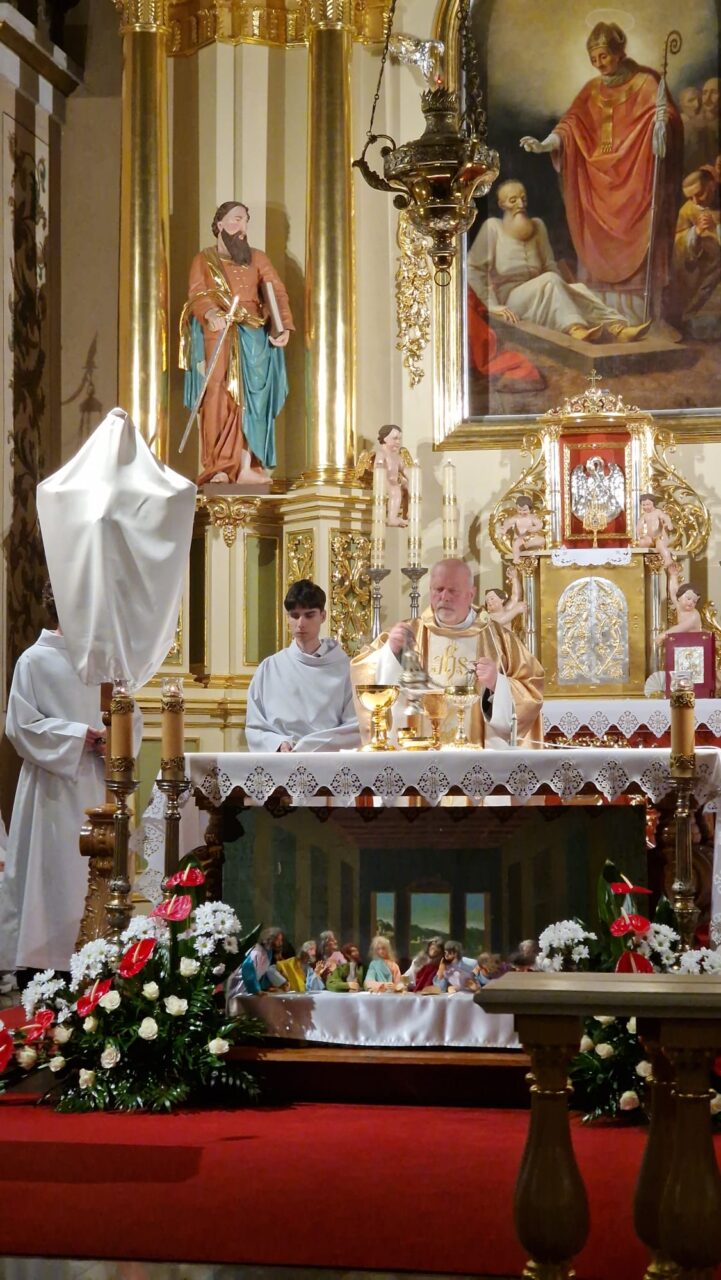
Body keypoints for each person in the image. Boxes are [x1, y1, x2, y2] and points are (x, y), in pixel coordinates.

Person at [520, 23, 683, 316]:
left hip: (636, 181)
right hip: (597, 187)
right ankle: (602, 318)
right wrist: (546, 144)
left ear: (619, 52)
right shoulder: (591, 90)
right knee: (596, 251)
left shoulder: (646, 82)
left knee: (642, 238)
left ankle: (641, 316)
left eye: (603, 56)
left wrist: (663, 125)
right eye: (593, 58)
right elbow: (570, 125)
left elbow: (666, 115)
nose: (598, 63)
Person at [0, 582, 109, 975]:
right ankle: (43, 965)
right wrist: (77, 735)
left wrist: (112, 737)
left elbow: (127, 712)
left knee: (91, 874)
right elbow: (20, 726)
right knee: (51, 876)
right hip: (50, 788)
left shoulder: (102, 661)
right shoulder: (34, 660)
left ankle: (95, 956)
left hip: (95, 782)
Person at [351, 558, 544, 748]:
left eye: (453, 590)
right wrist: (390, 653)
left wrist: (497, 683)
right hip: (418, 755)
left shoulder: (499, 638)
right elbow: (363, 671)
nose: (445, 597)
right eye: (439, 589)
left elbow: (531, 690)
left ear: (471, 594)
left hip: (479, 757)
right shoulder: (408, 633)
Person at [180, 200, 294, 485]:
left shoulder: (258, 258)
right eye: (235, 219)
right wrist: (210, 313)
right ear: (219, 224)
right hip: (219, 332)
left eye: (244, 220)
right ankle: (219, 465)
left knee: (254, 399)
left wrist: (282, 325)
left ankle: (248, 464)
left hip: (254, 334)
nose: (241, 225)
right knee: (219, 394)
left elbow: (276, 293)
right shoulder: (204, 259)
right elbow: (197, 294)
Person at [468, 180, 651, 342]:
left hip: (544, 291)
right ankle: (575, 329)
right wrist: (492, 305)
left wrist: (565, 291)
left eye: (523, 199)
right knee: (550, 280)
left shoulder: (538, 226)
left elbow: (550, 265)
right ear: (502, 204)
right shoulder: (492, 228)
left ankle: (618, 328)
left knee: (579, 288)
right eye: (513, 200)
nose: (520, 204)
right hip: (512, 300)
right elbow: (472, 269)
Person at [245, 579, 361, 752]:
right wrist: (278, 743)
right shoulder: (269, 668)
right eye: (295, 615)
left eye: (309, 615)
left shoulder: (345, 669)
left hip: (328, 761)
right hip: (281, 760)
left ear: (323, 616)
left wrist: (308, 746)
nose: (301, 624)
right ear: (287, 618)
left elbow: (354, 727)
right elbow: (255, 727)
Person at [671, 168, 721, 338]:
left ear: (712, 185)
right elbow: (678, 242)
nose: (695, 201)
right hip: (704, 276)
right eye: (690, 197)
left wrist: (716, 228)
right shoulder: (688, 210)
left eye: (699, 194)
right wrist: (695, 233)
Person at [226, 925, 289, 997]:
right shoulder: (256, 952)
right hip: (240, 986)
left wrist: (269, 987)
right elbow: (248, 969)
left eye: (281, 940)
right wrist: (256, 990)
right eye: (277, 940)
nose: (280, 943)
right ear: (270, 939)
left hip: (248, 990)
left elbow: (261, 973)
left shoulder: (268, 953)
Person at [375, 425, 409, 526]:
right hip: (383, 481)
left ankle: (408, 514)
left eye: (399, 439)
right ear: (385, 438)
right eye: (395, 438)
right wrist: (387, 482)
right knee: (395, 490)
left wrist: (413, 478)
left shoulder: (397, 457)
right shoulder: (381, 453)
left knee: (410, 487)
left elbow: (405, 470)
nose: (398, 442)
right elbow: (378, 467)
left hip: (394, 482)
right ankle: (392, 518)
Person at [498, 496, 546, 566]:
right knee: (516, 544)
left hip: (530, 538)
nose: (522, 512)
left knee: (542, 540)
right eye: (519, 510)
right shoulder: (516, 518)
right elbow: (508, 523)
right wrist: (504, 529)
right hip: (519, 538)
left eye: (525, 510)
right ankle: (516, 558)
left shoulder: (532, 517)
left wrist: (534, 528)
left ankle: (526, 545)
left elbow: (540, 524)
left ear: (530, 509)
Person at [635, 493, 674, 568]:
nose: (646, 507)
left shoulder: (658, 512)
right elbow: (639, 524)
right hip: (650, 538)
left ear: (653, 503)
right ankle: (643, 561)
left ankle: (668, 559)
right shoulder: (645, 515)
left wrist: (669, 525)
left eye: (648, 504)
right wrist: (639, 532)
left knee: (660, 545)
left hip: (660, 537)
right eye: (643, 505)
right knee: (642, 543)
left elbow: (666, 518)